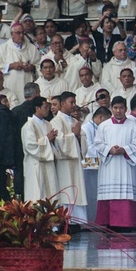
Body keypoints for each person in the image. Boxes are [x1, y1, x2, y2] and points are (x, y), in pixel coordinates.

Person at [94, 96, 136, 229]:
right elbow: (97, 143)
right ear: (111, 108)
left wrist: (124, 150)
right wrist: (109, 149)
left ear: (126, 109)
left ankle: (126, 223)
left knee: (126, 194)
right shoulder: (104, 126)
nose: (118, 110)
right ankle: (108, 222)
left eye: (121, 108)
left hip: (126, 165)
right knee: (109, 193)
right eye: (115, 108)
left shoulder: (134, 125)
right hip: (110, 166)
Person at [50, 91, 88, 226]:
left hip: (75, 163)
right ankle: (66, 221)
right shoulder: (55, 121)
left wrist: (78, 136)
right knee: (66, 190)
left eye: (74, 102)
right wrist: (74, 135)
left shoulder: (75, 121)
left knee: (76, 189)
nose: (74, 105)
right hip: (63, 164)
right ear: (62, 104)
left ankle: (78, 221)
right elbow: (58, 142)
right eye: (71, 102)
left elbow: (83, 141)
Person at [21, 96, 59, 202]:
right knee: (37, 194)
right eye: (45, 107)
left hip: (49, 165)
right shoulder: (28, 126)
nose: (48, 109)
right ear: (37, 108)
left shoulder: (48, 124)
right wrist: (47, 139)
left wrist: (54, 140)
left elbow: (53, 145)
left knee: (51, 195)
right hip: (35, 165)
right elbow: (30, 146)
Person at [0, 23, 40, 102]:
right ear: (11, 34)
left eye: (23, 33)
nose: (21, 35)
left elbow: (39, 66)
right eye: (18, 33)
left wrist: (32, 67)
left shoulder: (32, 48)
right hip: (10, 85)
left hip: (27, 83)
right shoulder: (3, 48)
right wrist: (11, 66)